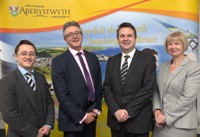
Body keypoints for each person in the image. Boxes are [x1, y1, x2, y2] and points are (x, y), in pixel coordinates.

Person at [103, 22, 156, 137]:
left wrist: (127, 112)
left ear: (135, 38)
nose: (125, 39)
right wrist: (116, 111)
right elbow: (107, 87)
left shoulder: (148, 60)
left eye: (129, 35)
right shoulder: (112, 61)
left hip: (139, 122)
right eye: (122, 36)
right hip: (116, 122)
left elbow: (148, 89)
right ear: (118, 39)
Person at [51, 21, 103, 137]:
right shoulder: (59, 61)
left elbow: (99, 86)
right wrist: (83, 116)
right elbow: (62, 95)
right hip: (72, 120)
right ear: (65, 40)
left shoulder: (92, 57)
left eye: (77, 33)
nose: (74, 36)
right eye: (70, 34)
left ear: (82, 35)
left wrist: (95, 110)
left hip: (92, 116)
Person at [0, 40, 55, 137]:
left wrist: (48, 124)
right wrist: (34, 133)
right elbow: (9, 114)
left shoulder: (41, 77)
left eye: (31, 54)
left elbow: (49, 102)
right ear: (16, 57)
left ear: (35, 57)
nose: (28, 57)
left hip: (44, 134)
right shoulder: (6, 81)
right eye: (23, 54)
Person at [152, 31, 200, 137]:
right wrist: (157, 111)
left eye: (177, 43)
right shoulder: (163, 66)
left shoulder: (194, 67)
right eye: (170, 44)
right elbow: (156, 91)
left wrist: (166, 118)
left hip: (181, 126)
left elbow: (188, 98)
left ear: (184, 45)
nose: (173, 47)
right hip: (160, 125)